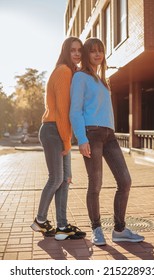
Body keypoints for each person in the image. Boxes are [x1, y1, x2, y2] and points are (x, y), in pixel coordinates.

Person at [70, 38, 144, 246]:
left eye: (100, 51)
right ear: (86, 55)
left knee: (125, 181)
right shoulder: (80, 77)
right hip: (91, 134)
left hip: (109, 136)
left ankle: (119, 230)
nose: (97, 55)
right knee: (96, 184)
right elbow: (75, 111)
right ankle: (97, 229)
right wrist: (81, 139)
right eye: (92, 51)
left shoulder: (103, 80)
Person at [31, 37, 86, 240]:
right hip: (54, 130)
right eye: (73, 50)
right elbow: (63, 110)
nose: (77, 54)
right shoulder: (63, 71)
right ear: (65, 52)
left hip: (59, 131)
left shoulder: (70, 72)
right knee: (56, 179)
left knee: (65, 180)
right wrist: (66, 141)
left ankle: (62, 226)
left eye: (79, 50)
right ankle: (40, 220)